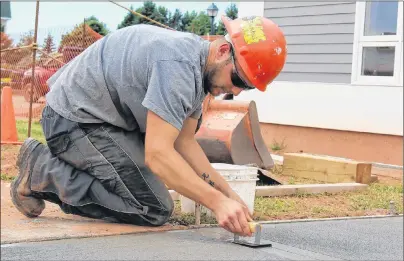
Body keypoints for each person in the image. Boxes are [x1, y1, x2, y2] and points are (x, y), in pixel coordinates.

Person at [10, 15, 286, 237]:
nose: (236, 92)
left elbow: (184, 143)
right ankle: (42, 171)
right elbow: (158, 154)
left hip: (100, 122)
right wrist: (216, 203)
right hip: (71, 123)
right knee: (152, 207)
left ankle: (56, 171)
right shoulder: (178, 67)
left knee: (145, 188)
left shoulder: (198, 71)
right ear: (224, 50)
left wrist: (228, 194)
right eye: (238, 80)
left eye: (246, 88)